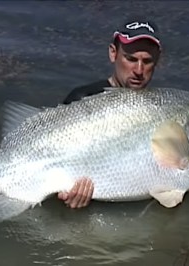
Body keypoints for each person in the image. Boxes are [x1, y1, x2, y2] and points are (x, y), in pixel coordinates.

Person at [58, 19, 162, 208]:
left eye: (147, 61)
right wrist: (66, 192)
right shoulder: (82, 98)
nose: (139, 70)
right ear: (113, 53)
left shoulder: (161, 108)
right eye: (130, 59)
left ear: (157, 60)